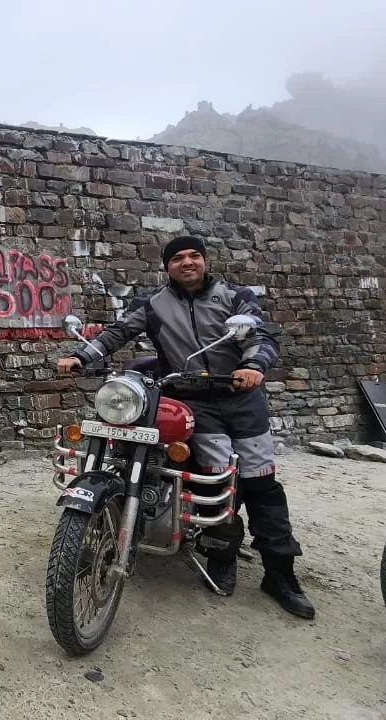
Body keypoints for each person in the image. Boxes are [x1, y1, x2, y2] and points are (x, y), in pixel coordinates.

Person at [55, 235, 315, 619]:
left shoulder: (234, 296)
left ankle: (280, 574)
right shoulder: (153, 303)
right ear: (167, 266)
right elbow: (116, 333)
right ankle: (221, 557)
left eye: (195, 256)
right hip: (194, 401)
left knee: (260, 482)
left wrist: (253, 366)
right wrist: (79, 356)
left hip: (241, 397)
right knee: (212, 481)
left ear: (205, 261)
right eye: (178, 258)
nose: (188, 262)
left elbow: (260, 336)